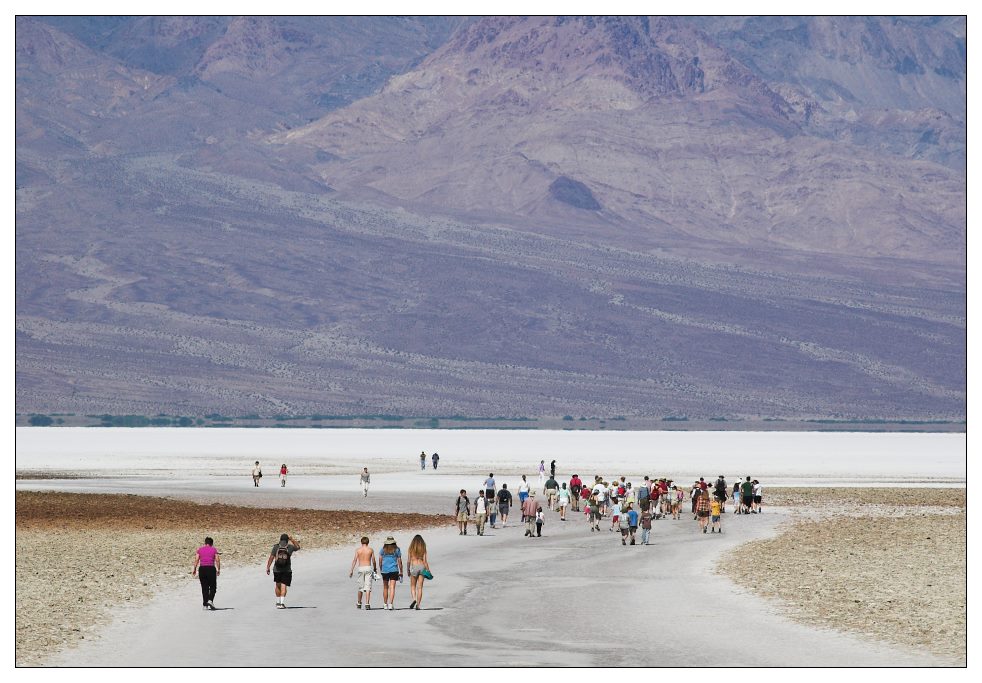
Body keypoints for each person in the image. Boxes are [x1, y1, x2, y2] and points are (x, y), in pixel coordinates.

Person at [266, 533, 300, 608]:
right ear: (287, 540)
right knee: (283, 585)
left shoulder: (276, 547)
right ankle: (281, 603)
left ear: (280, 539)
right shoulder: (290, 547)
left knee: (278, 585)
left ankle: (278, 602)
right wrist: (292, 540)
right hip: (286, 570)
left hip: (276, 569)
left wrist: (268, 567)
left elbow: (271, 557)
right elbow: (298, 547)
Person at [191, 536, 220, 610]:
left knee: (204, 587)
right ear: (211, 543)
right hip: (211, 568)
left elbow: (197, 559)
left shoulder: (200, 550)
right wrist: (218, 569)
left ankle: (205, 605)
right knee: (213, 586)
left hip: (202, 569)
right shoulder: (214, 550)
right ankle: (210, 600)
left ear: (205, 543)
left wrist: (194, 569)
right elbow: (217, 560)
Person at [348, 536, 376, 609]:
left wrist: (351, 570)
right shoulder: (370, 550)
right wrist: (375, 568)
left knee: (361, 587)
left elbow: (355, 560)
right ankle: (367, 603)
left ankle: (359, 602)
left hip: (361, 568)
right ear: (368, 542)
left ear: (361, 542)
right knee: (368, 587)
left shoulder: (358, 550)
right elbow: (373, 560)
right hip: (368, 567)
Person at [378, 536, 403, 610]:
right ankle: (391, 604)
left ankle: (385, 604)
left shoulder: (383, 549)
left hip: (384, 570)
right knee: (392, 587)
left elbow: (380, 560)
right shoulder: (397, 549)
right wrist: (401, 571)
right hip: (394, 570)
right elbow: (399, 561)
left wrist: (380, 568)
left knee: (385, 587)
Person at [407, 534, 431, 610]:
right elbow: (425, 561)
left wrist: (408, 569)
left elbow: (408, 561)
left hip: (414, 567)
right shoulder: (423, 548)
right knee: (420, 587)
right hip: (422, 567)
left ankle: (414, 599)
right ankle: (418, 605)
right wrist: (428, 570)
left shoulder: (411, 549)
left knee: (413, 586)